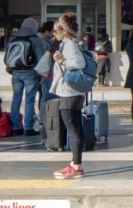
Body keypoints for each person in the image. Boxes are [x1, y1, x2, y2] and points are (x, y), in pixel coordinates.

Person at [49, 13, 88, 179]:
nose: (53, 31)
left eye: (56, 28)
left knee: (73, 130)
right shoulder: (68, 44)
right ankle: (74, 163)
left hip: (69, 92)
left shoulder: (69, 46)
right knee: (75, 129)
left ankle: (77, 167)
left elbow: (80, 64)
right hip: (72, 92)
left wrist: (61, 61)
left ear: (63, 30)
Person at [9, 18, 47, 137]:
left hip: (15, 73)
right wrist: (41, 74)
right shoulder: (37, 40)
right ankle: (28, 127)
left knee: (16, 99)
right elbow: (42, 59)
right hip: (31, 73)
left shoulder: (13, 39)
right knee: (29, 100)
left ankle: (15, 127)